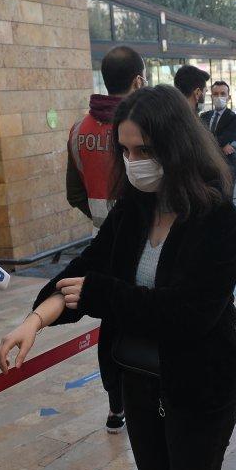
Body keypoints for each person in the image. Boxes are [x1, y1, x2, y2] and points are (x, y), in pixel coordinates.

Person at [0, 85, 236, 470]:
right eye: (126, 151)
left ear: (177, 147)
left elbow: (189, 315)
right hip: (138, 377)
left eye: (144, 150)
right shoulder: (133, 211)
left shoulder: (218, 221)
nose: (134, 163)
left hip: (198, 384)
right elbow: (84, 270)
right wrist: (36, 318)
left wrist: (105, 295)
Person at [67, 45, 146, 434]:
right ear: (138, 80)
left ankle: (116, 406)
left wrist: (101, 219)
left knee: (110, 326)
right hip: (141, 240)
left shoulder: (79, 130)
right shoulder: (142, 125)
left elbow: (73, 193)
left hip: (102, 239)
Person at [201, 80, 236, 183]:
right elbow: (199, 138)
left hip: (227, 168)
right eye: (215, 94)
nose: (219, 97)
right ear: (212, 97)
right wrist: (222, 146)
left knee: (226, 199)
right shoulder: (204, 116)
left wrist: (206, 144)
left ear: (229, 97)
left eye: (223, 94)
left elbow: (225, 138)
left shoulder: (234, 118)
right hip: (207, 169)